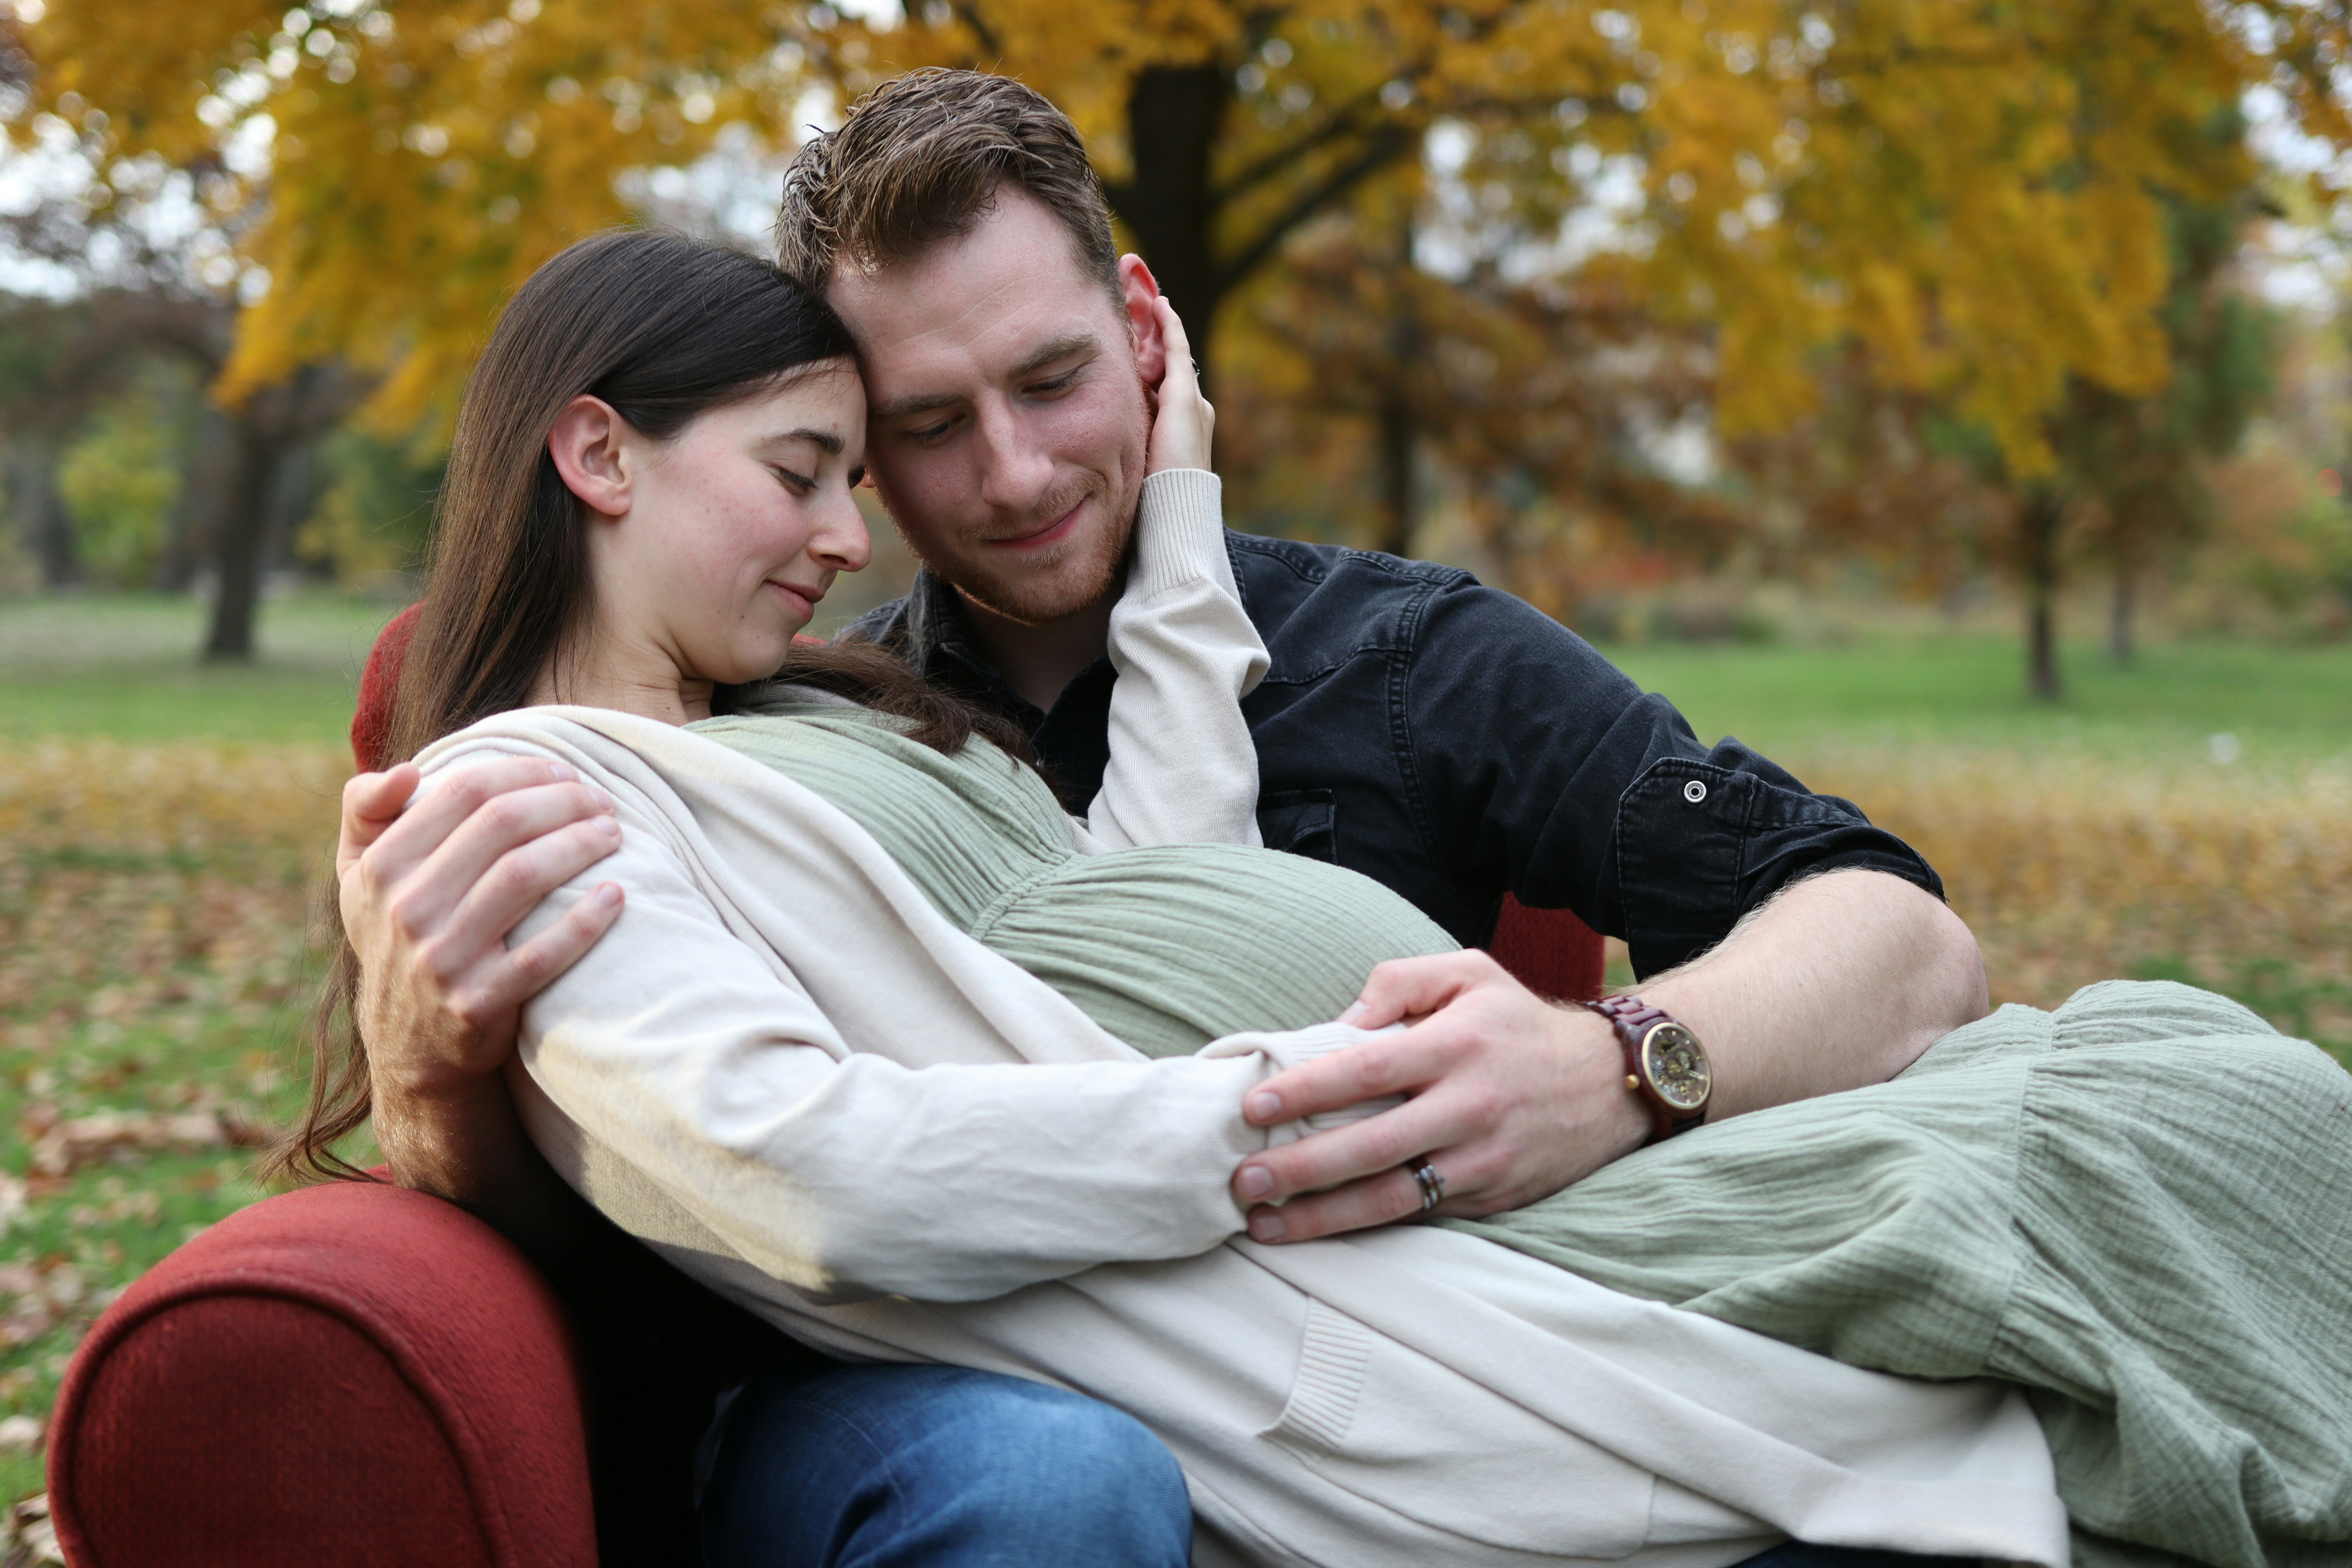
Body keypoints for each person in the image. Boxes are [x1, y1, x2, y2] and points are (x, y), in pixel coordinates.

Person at [333, 67, 1988, 1566]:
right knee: (1049, 1476)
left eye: (1053, 379)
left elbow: (1898, 934)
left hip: (1397, 1338)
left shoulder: (1403, 657)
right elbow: (751, 1161)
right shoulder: (780, 706)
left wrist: (1612, 1064)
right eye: (918, 430)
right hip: (945, 1384)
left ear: (1143, 330)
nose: (1011, 475)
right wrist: (430, 1090)